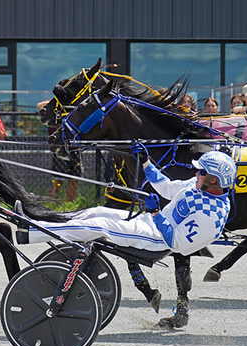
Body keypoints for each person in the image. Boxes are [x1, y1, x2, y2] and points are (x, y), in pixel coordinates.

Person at [14, 147, 235, 258]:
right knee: (97, 212)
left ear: (214, 180)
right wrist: (147, 162)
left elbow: (178, 244)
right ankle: (38, 219)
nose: (196, 173)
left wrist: (157, 214)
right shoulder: (197, 185)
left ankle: (31, 232)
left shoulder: (212, 215)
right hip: (150, 222)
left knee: (99, 227)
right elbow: (166, 187)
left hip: (156, 240)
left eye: (201, 172)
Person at [37, 100, 81, 200]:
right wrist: (58, 102)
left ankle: (70, 203)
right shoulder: (55, 103)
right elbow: (39, 105)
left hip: (74, 145)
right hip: (59, 145)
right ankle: (53, 201)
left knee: (74, 177)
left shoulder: (73, 102)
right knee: (57, 178)